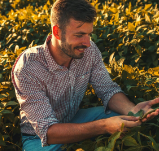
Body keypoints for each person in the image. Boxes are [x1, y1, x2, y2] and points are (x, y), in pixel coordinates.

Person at [11, 0, 159, 150]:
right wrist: (103, 126)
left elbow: (107, 89)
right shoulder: (28, 67)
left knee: (122, 118)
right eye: (80, 35)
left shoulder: (89, 51)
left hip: (75, 119)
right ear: (56, 32)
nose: (87, 43)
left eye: (89, 34)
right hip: (39, 137)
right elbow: (48, 132)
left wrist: (133, 111)